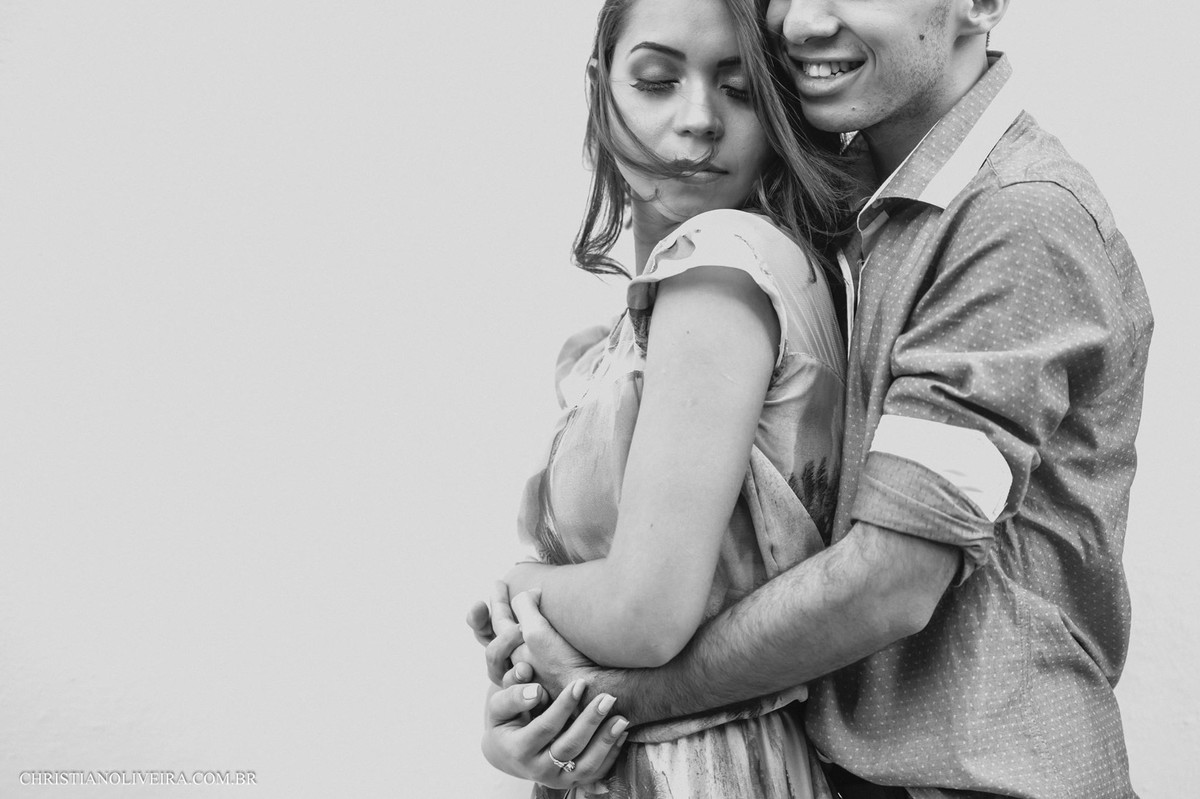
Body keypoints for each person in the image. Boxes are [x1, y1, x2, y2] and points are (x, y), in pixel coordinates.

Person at [471, 1, 1154, 798]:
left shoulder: (1015, 213)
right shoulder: (858, 208)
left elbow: (890, 581)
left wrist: (598, 692)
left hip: (987, 779)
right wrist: (551, 711)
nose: (800, 22)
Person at [469, 0, 858, 795]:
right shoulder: (774, 272)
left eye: (740, 89)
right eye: (656, 81)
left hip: (700, 769)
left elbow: (645, 614)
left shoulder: (718, 268)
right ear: (599, 88)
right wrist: (534, 720)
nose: (699, 119)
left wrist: (515, 590)